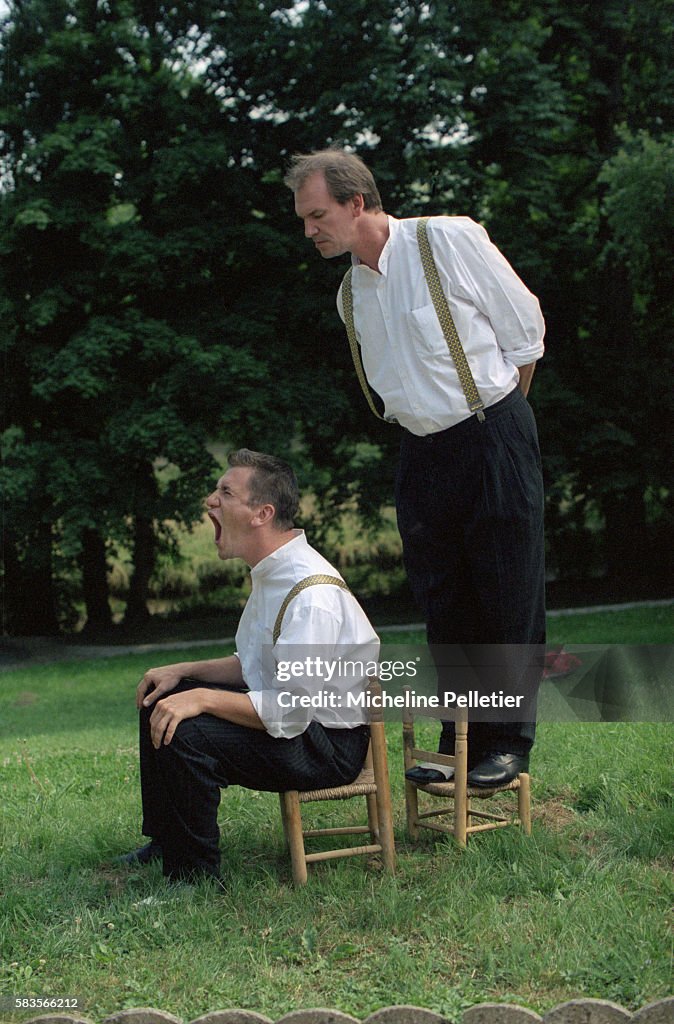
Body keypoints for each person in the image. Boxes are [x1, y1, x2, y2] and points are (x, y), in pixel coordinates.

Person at [285, 148, 546, 788]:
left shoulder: (447, 239)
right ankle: (459, 747)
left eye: (318, 214)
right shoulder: (350, 293)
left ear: (356, 202)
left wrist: (496, 429)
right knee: (444, 604)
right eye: (303, 219)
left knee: (506, 594)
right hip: (420, 452)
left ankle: (506, 747)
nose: (310, 229)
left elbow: (526, 336)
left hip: (491, 433)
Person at [120, 448, 379, 882]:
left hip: (326, 746)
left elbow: (291, 711)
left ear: (262, 513)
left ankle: (194, 877)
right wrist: (185, 672)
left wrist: (202, 698)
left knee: (188, 728)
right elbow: (255, 666)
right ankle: (168, 838)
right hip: (302, 726)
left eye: (225, 492)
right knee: (163, 696)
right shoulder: (273, 574)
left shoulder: (311, 596)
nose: (210, 501)